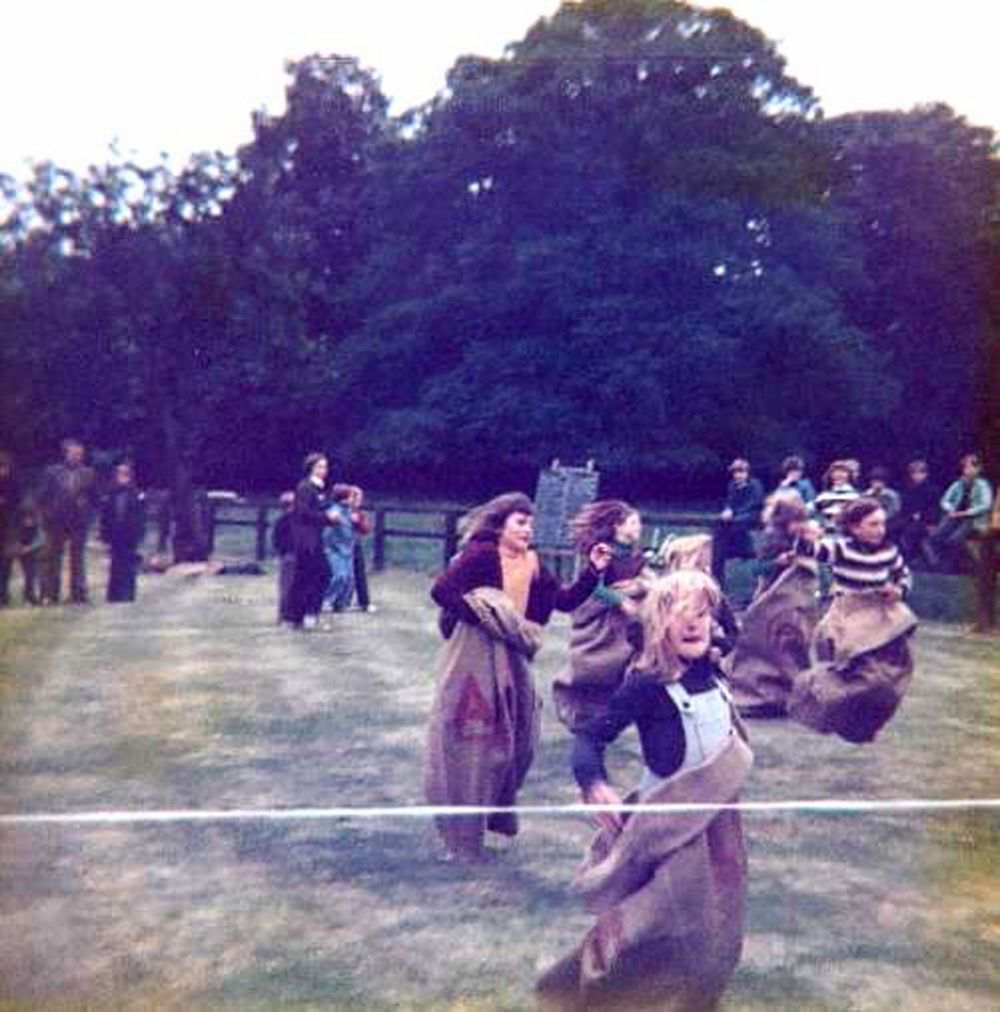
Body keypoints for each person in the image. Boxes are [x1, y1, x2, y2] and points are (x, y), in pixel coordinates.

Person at [537, 570, 752, 1009]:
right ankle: (580, 990)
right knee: (651, 928)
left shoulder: (713, 671)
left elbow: (732, 632)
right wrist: (593, 783)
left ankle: (692, 999)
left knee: (718, 927)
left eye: (702, 613)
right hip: (669, 828)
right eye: (680, 613)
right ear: (659, 623)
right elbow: (590, 737)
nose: (693, 624)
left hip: (718, 826)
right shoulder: (647, 685)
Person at [424, 491, 609, 861]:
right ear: (501, 525)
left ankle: (494, 813)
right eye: (520, 523)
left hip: (513, 657)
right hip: (474, 655)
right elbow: (442, 590)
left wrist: (593, 570)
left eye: (530, 523)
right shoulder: (482, 555)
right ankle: (462, 840)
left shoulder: (532, 564)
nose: (528, 530)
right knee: (471, 737)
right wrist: (484, 616)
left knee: (518, 738)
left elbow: (565, 600)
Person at [789, 497, 917, 743]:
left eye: (882, 524)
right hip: (849, 616)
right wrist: (805, 536)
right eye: (872, 524)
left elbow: (903, 574)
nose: (880, 529)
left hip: (882, 616)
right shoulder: (841, 548)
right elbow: (811, 550)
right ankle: (820, 698)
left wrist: (899, 590)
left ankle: (865, 724)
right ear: (854, 527)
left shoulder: (890, 550)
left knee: (888, 680)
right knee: (856, 675)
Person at [551, 500, 651, 732]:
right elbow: (594, 587)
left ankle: (608, 716)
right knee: (594, 665)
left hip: (623, 623)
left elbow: (643, 576)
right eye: (634, 523)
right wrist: (620, 600)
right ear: (618, 526)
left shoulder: (634, 553)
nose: (639, 528)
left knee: (622, 666)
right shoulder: (601, 551)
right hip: (599, 620)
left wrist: (641, 586)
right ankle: (577, 707)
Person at [38, 438, 98, 604]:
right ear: (66, 454)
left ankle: (78, 593)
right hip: (56, 520)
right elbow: (42, 496)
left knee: (78, 558)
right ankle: (50, 593)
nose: (77, 457)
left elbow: (95, 499)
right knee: (53, 558)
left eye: (80, 454)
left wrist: (89, 516)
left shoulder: (88, 473)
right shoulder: (52, 473)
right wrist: (46, 515)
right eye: (74, 454)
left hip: (78, 520)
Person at [287, 453, 340, 630]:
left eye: (325, 466)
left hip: (314, 539)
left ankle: (299, 616)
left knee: (312, 576)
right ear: (311, 468)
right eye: (320, 466)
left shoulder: (318, 489)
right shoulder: (305, 487)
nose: (324, 470)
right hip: (305, 541)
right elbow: (304, 513)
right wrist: (327, 517)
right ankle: (305, 615)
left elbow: (322, 506)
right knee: (317, 575)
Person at [926, 454, 994, 572]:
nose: (966, 470)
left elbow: (985, 505)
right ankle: (936, 563)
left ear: (977, 469)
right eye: (965, 467)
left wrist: (964, 513)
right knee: (936, 536)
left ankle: (950, 567)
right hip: (955, 516)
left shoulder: (983, 485)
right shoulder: (959, 484)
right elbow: (944, 500)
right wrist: (951, 509)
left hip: (973, 519)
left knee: (954, 539)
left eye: (970, 467)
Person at [711, 458, 764, 592]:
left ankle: (744, 549)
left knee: (738, 522)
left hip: (752, 514)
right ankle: (719, 560)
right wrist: (728, 510)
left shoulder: (755, 485)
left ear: (747, 473)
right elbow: (730, 502)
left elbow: (755, 503)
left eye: (741, 472)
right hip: (736, 515)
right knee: (720, 524)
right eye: (735, 472)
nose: (738, 475)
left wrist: (735, 513)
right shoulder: (732, 486)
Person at [99, 462, 146, 602]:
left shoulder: (136, 495)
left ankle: (128, 594)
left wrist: (139, 534)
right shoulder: (110, 494)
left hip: (130, 535)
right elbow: (105, 516)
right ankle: (113, 595)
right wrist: (104, 535)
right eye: (120, 474)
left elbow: (141, 517)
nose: (122, 478)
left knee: (129, 566)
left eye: (125, 474)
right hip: (115, 535)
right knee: (115, 565)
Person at [891, 459, 940, 567]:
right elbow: (904, 507)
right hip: (908, 518)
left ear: (925, 474)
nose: (917, 476)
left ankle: (911, 559)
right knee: (891, 527)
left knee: (909, 532)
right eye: (914, 473)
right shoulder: (908, 488)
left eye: (920, 473)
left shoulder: (932, 490)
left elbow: (934, 510)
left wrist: (928, 522)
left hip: (925, 521)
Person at [323, 483, 356, 613]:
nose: (353, 499)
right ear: (344, 497)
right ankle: (326, 600)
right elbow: (327, 533)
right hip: (335, 549)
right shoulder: (334, 510)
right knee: (339, 576)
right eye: (351, 496)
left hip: (347, 549)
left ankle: (341, 603)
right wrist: (331, 546)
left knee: (349, 578)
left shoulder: (348, 511)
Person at [0, 451, 22, 606]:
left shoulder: (13, 483)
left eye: (4, 467)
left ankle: (3, 593)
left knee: (6, 562)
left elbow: (17, 503)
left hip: (7, 527)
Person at [813, 459, 859, 532]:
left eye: (843, 471)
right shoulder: (822, 497)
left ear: (849, 475)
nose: (839, 475)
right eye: (836, 471)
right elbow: (816, 516)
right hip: (826, 534)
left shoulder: (856, 497)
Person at [349, 486, 375, 613]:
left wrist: (358, 521)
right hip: (340, 546)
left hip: (355, 545)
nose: (359, 500)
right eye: (356, 497)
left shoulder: (360, 513)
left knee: (360, 573)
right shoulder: (340, 510)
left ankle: (364, 601)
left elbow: (366, 529)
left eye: (360, 498)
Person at [272, 491, 296, 625]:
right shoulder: (286, 521)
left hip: (289, 556)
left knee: (287, 588)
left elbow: (275, 540)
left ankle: (286, 615)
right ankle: (285, 616)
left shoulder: (281, 521)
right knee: (288, 588)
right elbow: (278, 541)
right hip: (290, 556)